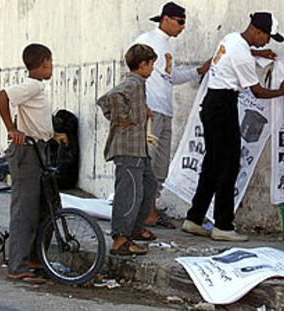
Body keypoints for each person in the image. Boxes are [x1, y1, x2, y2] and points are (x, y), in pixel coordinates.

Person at [182, 12, 284, 241]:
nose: (267, 42)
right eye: (267, 37)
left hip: (213, 104)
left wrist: (259, 52)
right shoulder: (243, 57)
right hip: (223, 107)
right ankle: (223, 226)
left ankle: (194, 218)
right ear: (257, 31)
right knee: (228, 167)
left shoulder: (231, 39)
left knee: (212, 164)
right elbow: (257, 91)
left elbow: (241, 53)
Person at [132, 1, 211, 229]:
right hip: (150, 110)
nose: (183, 27)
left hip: (164, 111)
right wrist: (141, 103)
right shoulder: (146, 40)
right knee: (147, 161)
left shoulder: (166, 45)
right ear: (166, 19)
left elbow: (170, 76)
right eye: (180, 22)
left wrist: (198, 71)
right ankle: (146, 212)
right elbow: (133, 72)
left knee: (160, 167)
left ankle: (150, 210)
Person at [0, 43, 67, 283]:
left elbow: (36, 119)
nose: (52, 68)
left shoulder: (37, 87)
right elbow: (1, 96)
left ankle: (35, 259)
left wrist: (52, 135)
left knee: (44, 206)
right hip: (26, 153)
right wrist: (11, 128)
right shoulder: (31, 86)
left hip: (39, 149)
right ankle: (17, 265)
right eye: (51, 63)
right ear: (45, 61)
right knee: (24, 210)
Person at [97, 44, 159, 256]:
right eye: (151, 64)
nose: (152, 69)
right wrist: (122, 118)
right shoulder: (132, 82)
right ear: (142, 64)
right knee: (129, 193)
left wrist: (141, 111)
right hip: (128, 148)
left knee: (148, 186)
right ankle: (120, 240)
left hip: (139, 148)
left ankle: (135, 228)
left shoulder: (138, 83)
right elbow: (111, 98)